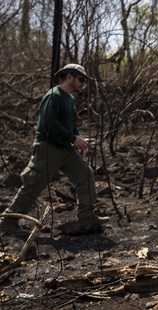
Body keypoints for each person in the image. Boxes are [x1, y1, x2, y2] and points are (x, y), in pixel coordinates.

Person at [0, 63, 102, 236]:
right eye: (81, 79)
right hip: (48, 148)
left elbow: (70, 125)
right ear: (69, 77)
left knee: (86, 174)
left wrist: (80, 139)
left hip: (66, 149)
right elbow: (49, 124)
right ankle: (8, 221)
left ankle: (86, 218)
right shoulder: (53, 96)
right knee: (34, 184)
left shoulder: (70, 99)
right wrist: (72, 138)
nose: (83, 84)